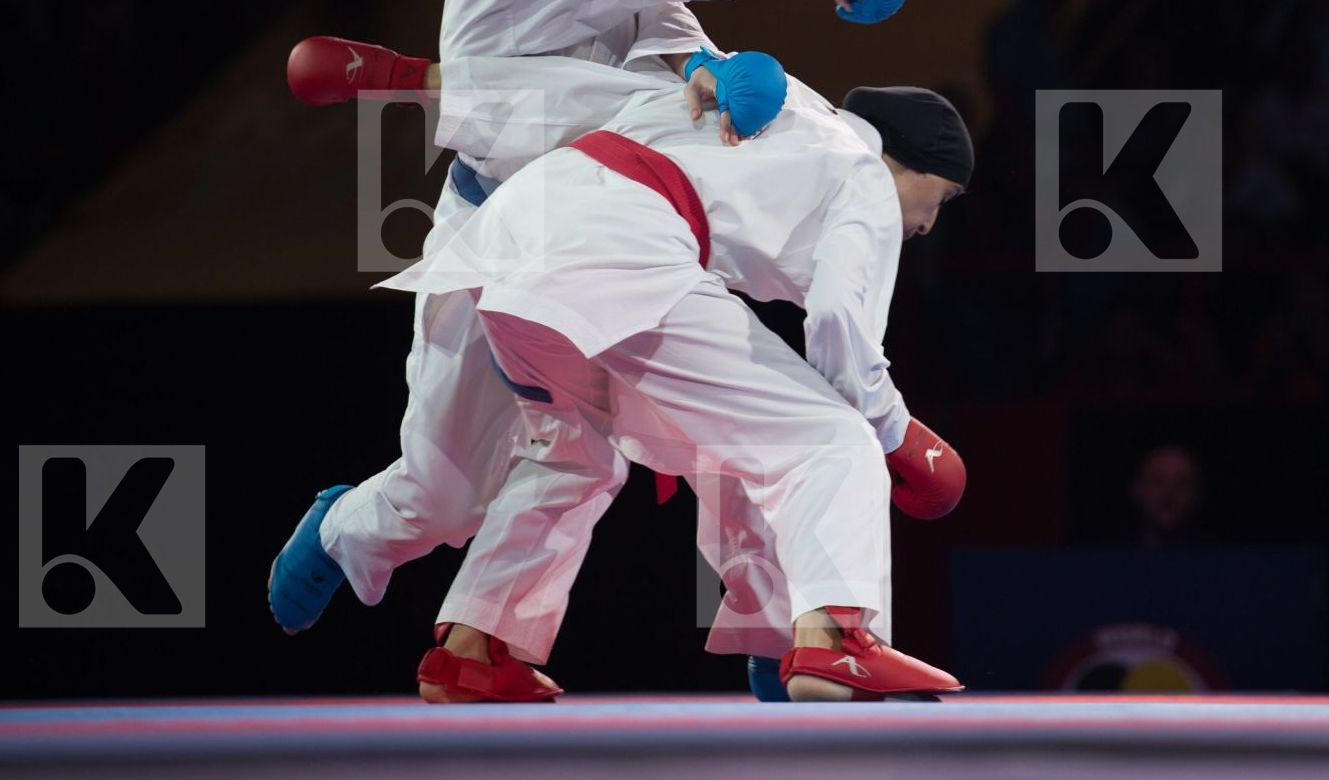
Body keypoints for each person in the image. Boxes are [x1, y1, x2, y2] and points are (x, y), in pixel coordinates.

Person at [266, 0, 910, 694]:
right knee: (439, 495)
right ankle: (338, 527)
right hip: (490, 234)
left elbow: (665, 9)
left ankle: (478, 650)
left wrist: (701, 67)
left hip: (591, 231)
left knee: (599, 447)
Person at [380, 52, 974, 699]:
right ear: (908, 160)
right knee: (834, 441)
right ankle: (836, 643)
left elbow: (572, 86)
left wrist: (410, 77)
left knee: (575, 456)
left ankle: (472, 652)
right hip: (621, 250)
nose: (931, 222)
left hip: (508, 241)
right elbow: (838, 325)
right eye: (941, 197)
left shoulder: (777, 110)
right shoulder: (863, 169)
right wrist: (895, 433)